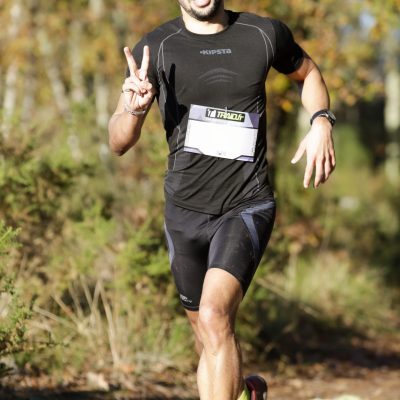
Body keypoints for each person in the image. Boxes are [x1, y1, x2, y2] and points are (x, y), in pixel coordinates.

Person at [108, 1, 336, 399]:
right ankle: (247, 391)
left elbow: (309, 72)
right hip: (184, 211)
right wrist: (133, 108)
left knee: (214, 317)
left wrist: (321, 120)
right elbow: (118, 142)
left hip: (246, 203)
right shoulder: (156, 48)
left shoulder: (263, 34)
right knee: (207, 336)